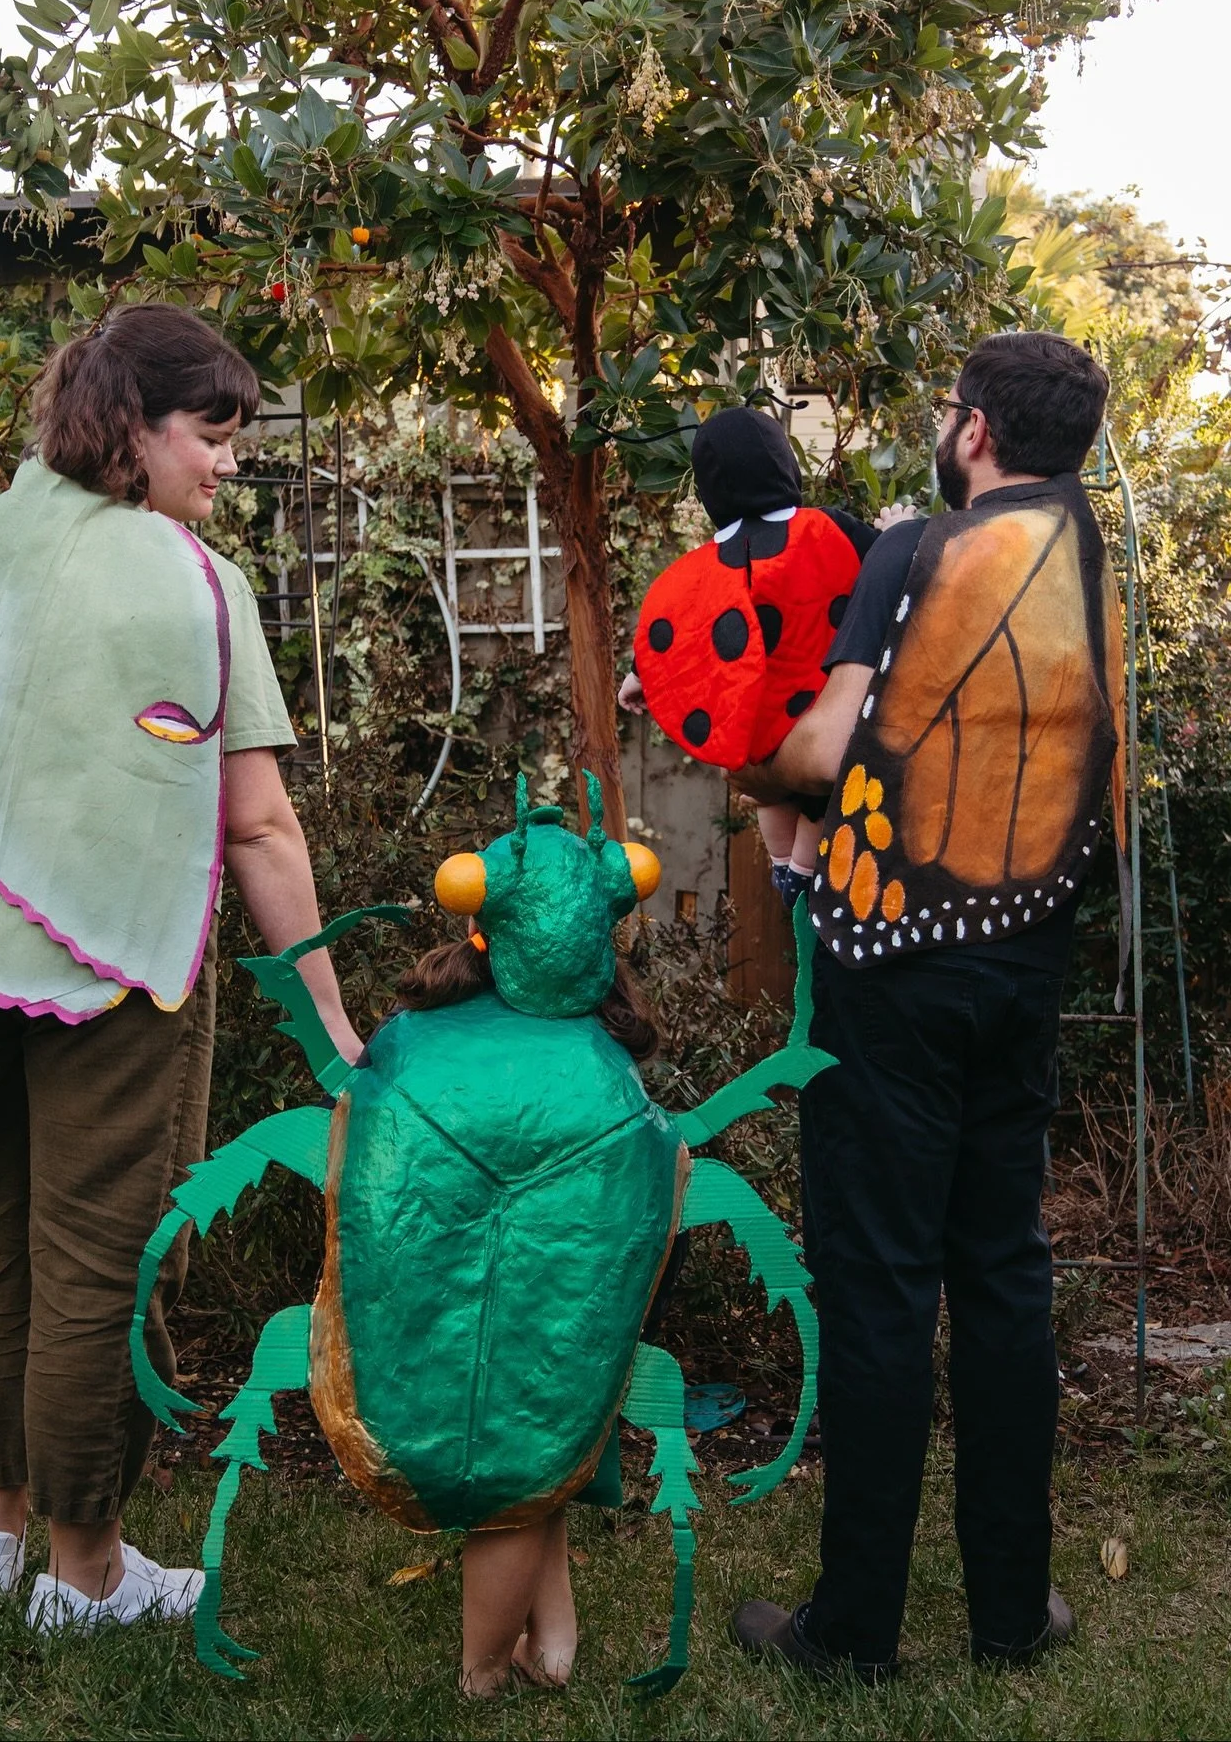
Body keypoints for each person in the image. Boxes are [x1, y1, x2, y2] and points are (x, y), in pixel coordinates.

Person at [0, 304, 360, 1633]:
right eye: (210, 434)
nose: (227, 463)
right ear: (134, 428)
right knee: (101, 1258)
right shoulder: (193, 583)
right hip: (120, 962)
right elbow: (255, 826)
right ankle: (87, 1569)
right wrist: (332, 1020)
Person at [727, 332, 1123, 1678]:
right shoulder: (1091, 560)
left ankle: (853, 1632)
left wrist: (742, 761)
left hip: (893, 960)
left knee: (881, 1280)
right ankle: (1012, 1612)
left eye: (951, 410)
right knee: (1002, 1270)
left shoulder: (917, 552)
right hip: (1028, 958)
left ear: (976, 431)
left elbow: (823, 750)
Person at [391, 922, 660, 1696]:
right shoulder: (596, 1045)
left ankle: (486, 1672)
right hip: (549, 1303)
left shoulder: (424, 1031)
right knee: (536, 1444)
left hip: (463, 1298)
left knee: (508, 1477)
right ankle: (543, 1648)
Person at [619, 406, 905, 906]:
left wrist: (638, 675)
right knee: (818, 797)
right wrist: (897, 530)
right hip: (821, 706)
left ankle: (782, 867)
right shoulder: (826, 528)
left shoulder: (700, 567)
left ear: (708, 490)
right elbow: (886, 567)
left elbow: (674, 625)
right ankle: (805, 872)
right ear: (783, 464)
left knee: (767, 789)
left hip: (754, 718)